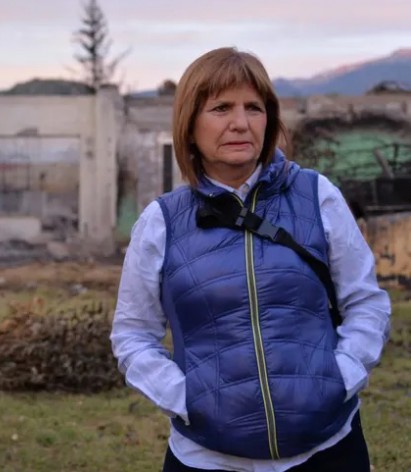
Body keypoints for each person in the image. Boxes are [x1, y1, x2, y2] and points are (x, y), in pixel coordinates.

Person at [110, 47, 391, 472]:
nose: (240, 123)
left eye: (254, 108)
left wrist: (341, 377)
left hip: (328, 451)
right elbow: (133, 333)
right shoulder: (161, 222)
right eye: (221, 107)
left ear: (270, 119)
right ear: (189, 125)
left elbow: (365, 302)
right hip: (208, 460)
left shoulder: (317, 196)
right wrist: (184, 399)